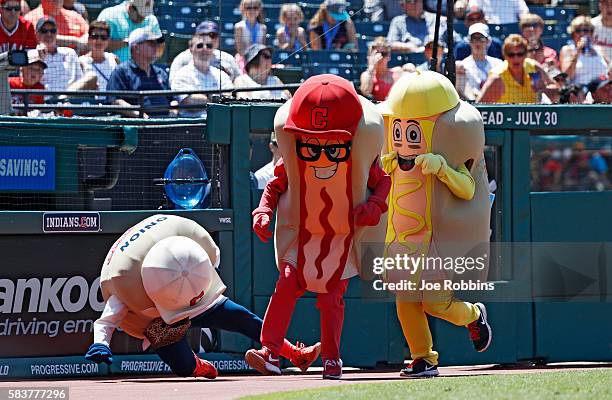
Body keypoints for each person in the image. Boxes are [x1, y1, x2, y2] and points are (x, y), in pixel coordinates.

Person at [247, 74, 390, 380]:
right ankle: (271, 352)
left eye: (333, 145)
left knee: (330, 299)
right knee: (286, 285)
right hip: (303, 235)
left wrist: (374, 206)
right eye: (312, 145)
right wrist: (263, 210)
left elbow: (382, 183)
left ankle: (331, 358)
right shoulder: (294, 158)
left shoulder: (362, 157)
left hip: (343, 240)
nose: (322, 152)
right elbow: (275, 185)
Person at [84, 214, 321, 379]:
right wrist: (100, 344)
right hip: (160, 321)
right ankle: (200, 367)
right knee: (184, 367)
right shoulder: (124, 282)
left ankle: (295, 355)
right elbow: (106, 322)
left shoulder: (190, 238)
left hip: (201, 297)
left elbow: (213, 257)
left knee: (242, 317)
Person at [376, 70, 493, 378]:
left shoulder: (444, 156)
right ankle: (423, 358)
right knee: (405, 302)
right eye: (397, 129)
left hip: (434, 243)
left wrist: (442, 169)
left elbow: (467, 189)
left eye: (411, 131)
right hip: (402, 241)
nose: (402, 137)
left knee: (435, 304)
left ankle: (473, 314)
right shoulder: (391, 159)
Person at [106, 27, 172, 117]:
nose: (156, 46)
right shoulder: (121, 71)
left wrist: (174, 110)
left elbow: (172, 99)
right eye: (151, 43)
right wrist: (140, 115)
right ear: (136, 48)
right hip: (137, 125)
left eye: (156, 43)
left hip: (166, 124)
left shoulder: (161, 72)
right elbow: (115, 101)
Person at [477, 34, 558, 103]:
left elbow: (556, 91)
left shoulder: (534, 67)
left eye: (520, 54)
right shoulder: (497, 77)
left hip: (532, 118)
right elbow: (480, 106)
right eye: (511, 55)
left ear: (526, 54)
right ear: (505, 56)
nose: (516, 59)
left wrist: (543, 89)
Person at [171, 33, 234, 117]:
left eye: (209, 46)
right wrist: (215, 99)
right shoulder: (181, 74)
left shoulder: (221, 75)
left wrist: (203, 98)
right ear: (191, 49)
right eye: (200, 45)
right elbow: (189, 103)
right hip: (193, 125)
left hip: (219, 122)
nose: (205, 49)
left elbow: (227, 99)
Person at [169, 21, 241, 84]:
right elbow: (173, 82)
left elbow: (239, 78)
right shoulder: (183, 58)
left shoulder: (227, 58)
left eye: (213, 35)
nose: (208, 38)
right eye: (203, 35)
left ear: (218, 39)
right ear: (195, 37)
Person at [36, 17, 92, 94]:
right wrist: (40, 59)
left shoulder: (70, 53)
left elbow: (79, 80)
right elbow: (31, 83)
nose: (49, 34)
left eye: (53, 31)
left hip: (68, 101)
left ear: (57, 33)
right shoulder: (32, 56)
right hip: (44, 101)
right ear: (37, 34)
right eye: (44, 31)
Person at [97, 0, 162, 63]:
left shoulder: (151, 19)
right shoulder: (109, 15)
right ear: (131, 8)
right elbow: (97, 46)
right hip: (112, 70)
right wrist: (130, 42)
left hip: (142, 71)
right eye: (140, 16)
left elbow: (160, 46)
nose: (143, 18)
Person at [456, 23, 503, 100]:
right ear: (469, 41)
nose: (477, 43)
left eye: (481, 38)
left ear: (488, 41)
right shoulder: (462, 65)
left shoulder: (498, 64)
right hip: (471, 106)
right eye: (474, 39)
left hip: (495, 107)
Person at [560, 16, 608, 87]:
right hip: (580, 92)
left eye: (585, 30)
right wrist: (578, 52)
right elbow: (566, 77)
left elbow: (609, 71)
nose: (582, 34)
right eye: (578, 30)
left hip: (602, 90)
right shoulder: (568, 50)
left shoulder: (599, 49)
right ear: (573, 34)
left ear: (591, 33)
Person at [24, 0, 88, 51]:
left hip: (77, 59)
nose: (57, 1)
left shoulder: (74, 15)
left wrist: (81, 43)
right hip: (45, 59)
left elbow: (89, 35)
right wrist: (74, 41)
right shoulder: (30, 17)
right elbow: (40, 38)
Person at [360, 37, 405, 101]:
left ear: (389, 56)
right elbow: (365, 92)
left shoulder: (398, 72)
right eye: (376, 54)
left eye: (383, 54)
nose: (380, 57)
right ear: (370, 56)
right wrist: (372, 67)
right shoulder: (366, 75)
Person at [79, 21, 119, 92]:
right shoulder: (81, 62)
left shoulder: (114, 59)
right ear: (89, 39)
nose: (99, 41)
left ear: (108, 40)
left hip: (112, 101)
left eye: (103, 37)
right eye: (95, 37)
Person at [234, 0, 266, 67]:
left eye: (255, 7)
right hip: (243, 60)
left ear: (259, 10)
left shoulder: (263, 28)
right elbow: (240, 50)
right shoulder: (239, 27)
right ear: (242, 9)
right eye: (248, 8)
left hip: (258, 60)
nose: (252, 11)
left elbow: (263, 48)